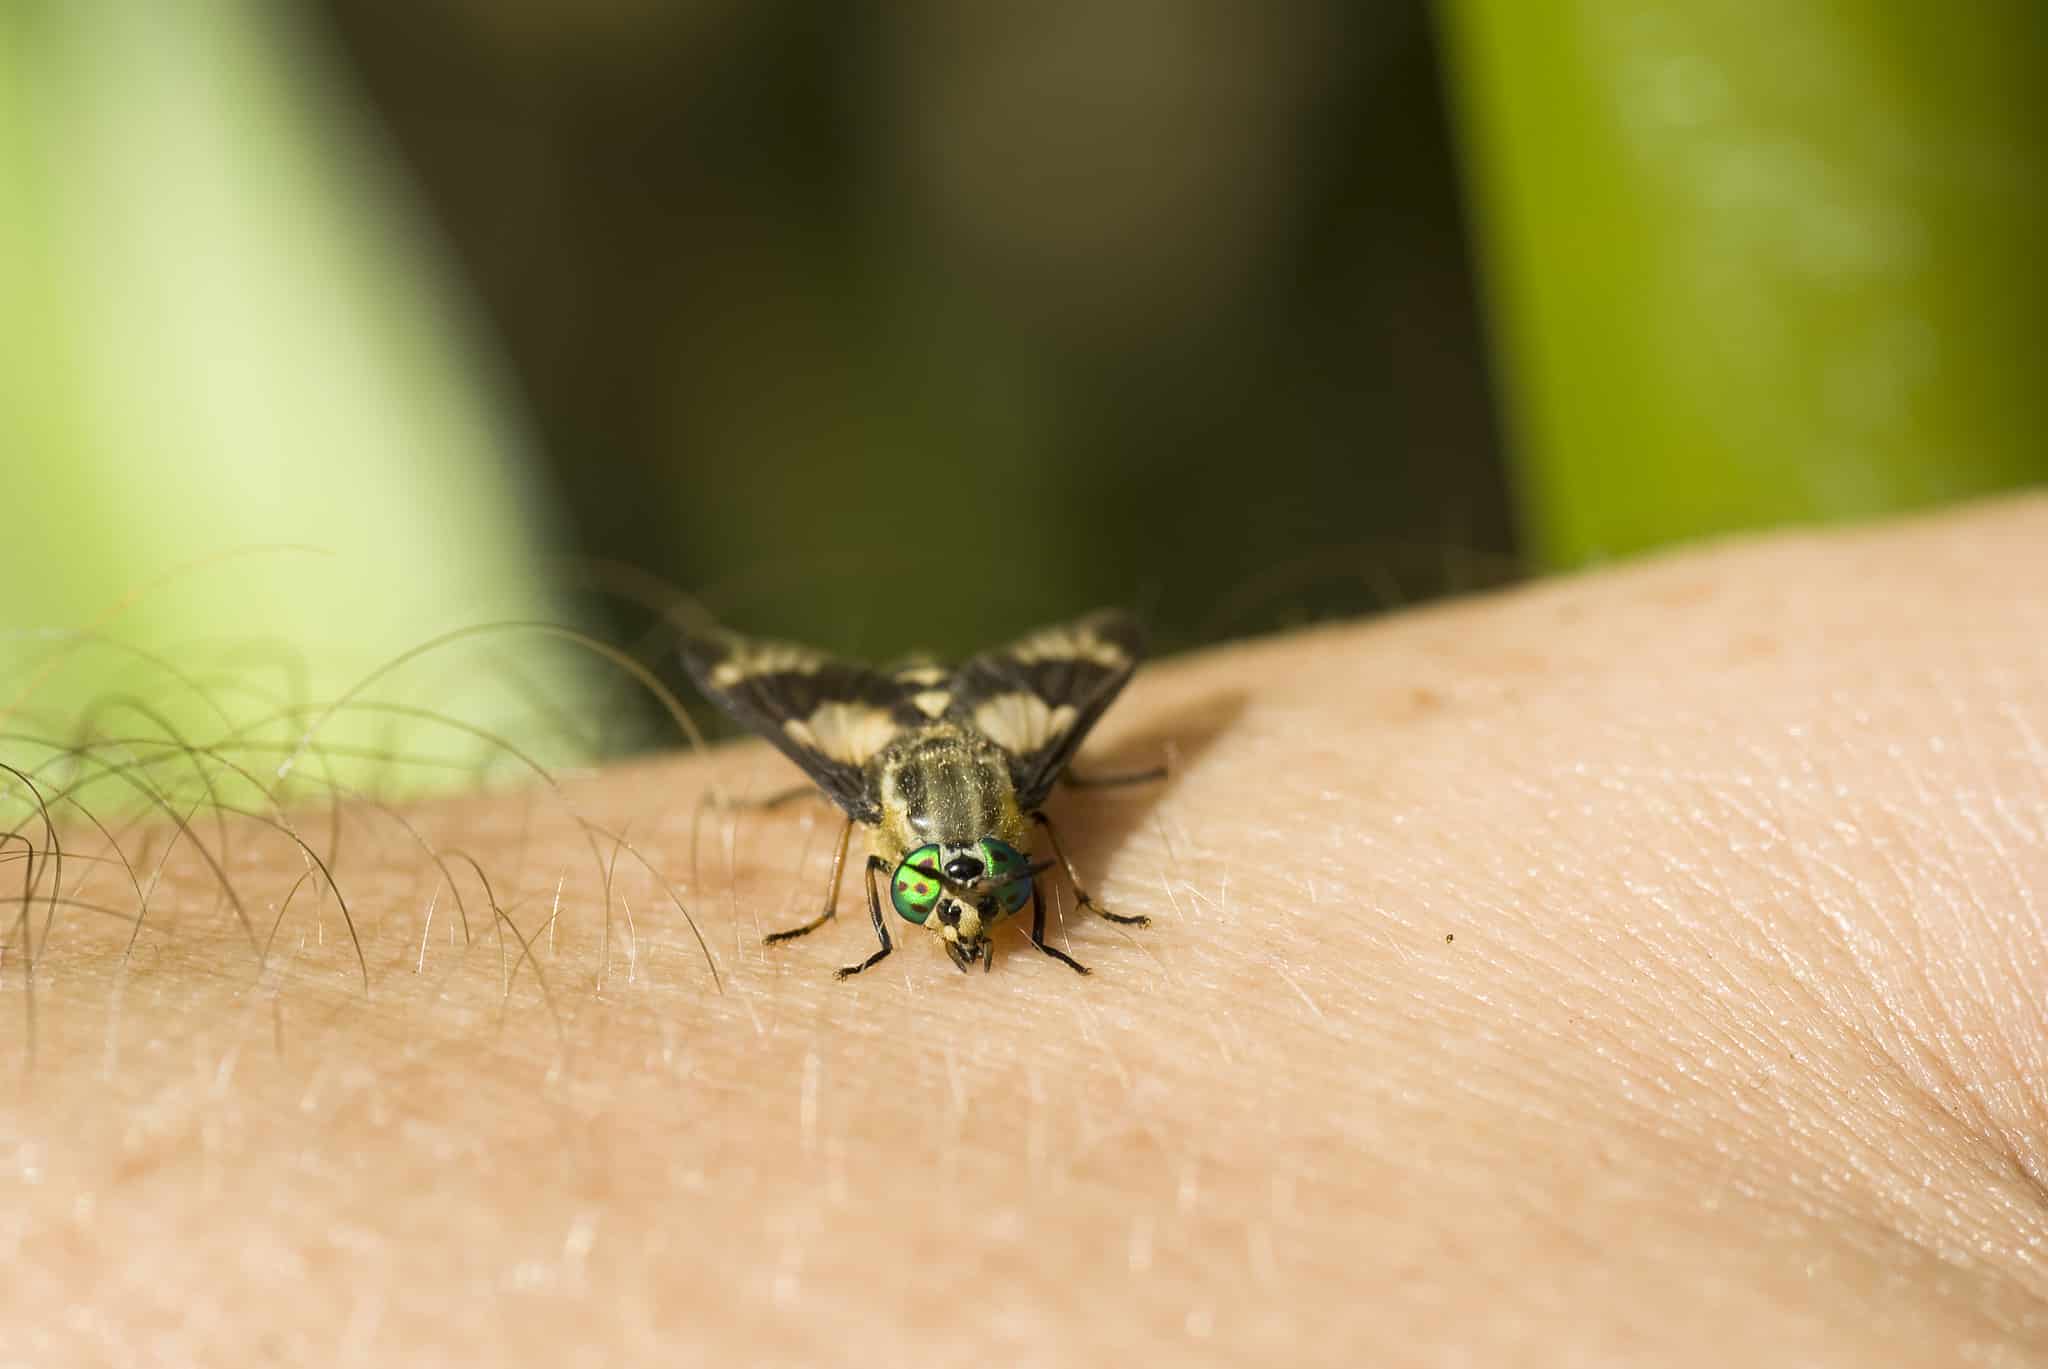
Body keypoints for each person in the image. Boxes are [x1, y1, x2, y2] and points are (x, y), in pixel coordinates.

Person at [10, 496, 2047, 1362]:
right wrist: (912, 856)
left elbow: (1028, 827)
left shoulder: (1003, 828)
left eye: (959, 887)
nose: (955, 900)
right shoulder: (903, 842)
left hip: (963, 722)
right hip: (924, 720)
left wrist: (1039, 854)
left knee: (1024, 755)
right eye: (939, 889)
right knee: (841, 748)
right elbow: (923, 844)